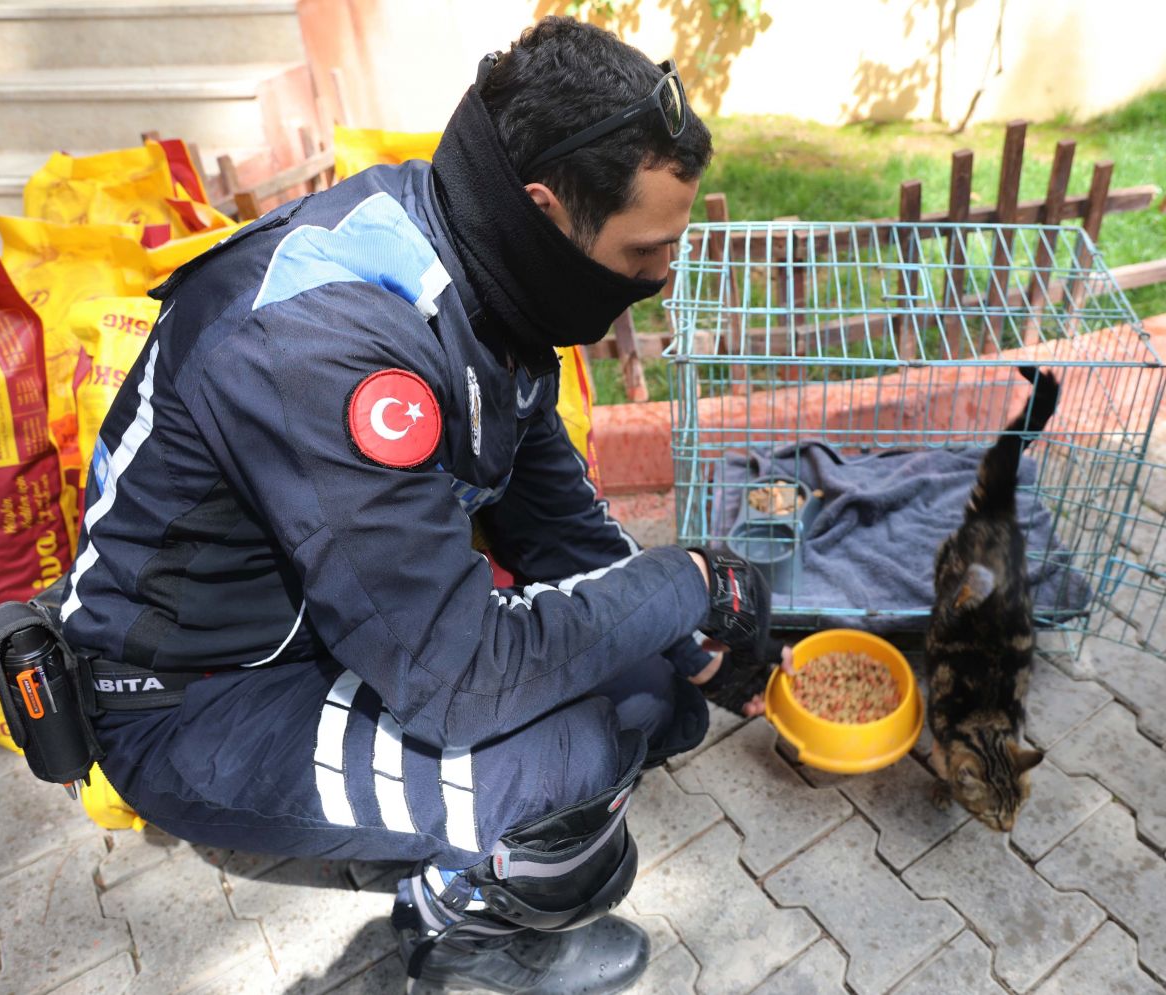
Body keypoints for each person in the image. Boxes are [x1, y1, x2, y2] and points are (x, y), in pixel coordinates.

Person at [54, 17, 774, 993]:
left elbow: (556, 523)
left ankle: (473, 885)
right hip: (196, 705)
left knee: (657, 689)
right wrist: (689, 576)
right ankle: (460, 945)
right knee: (571, 751)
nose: (663, 277)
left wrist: (699, 635)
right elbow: (460, 674)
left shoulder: (488, 280)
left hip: (327, 628)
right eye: (648, 251)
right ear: (546, 210)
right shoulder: (327, 345)